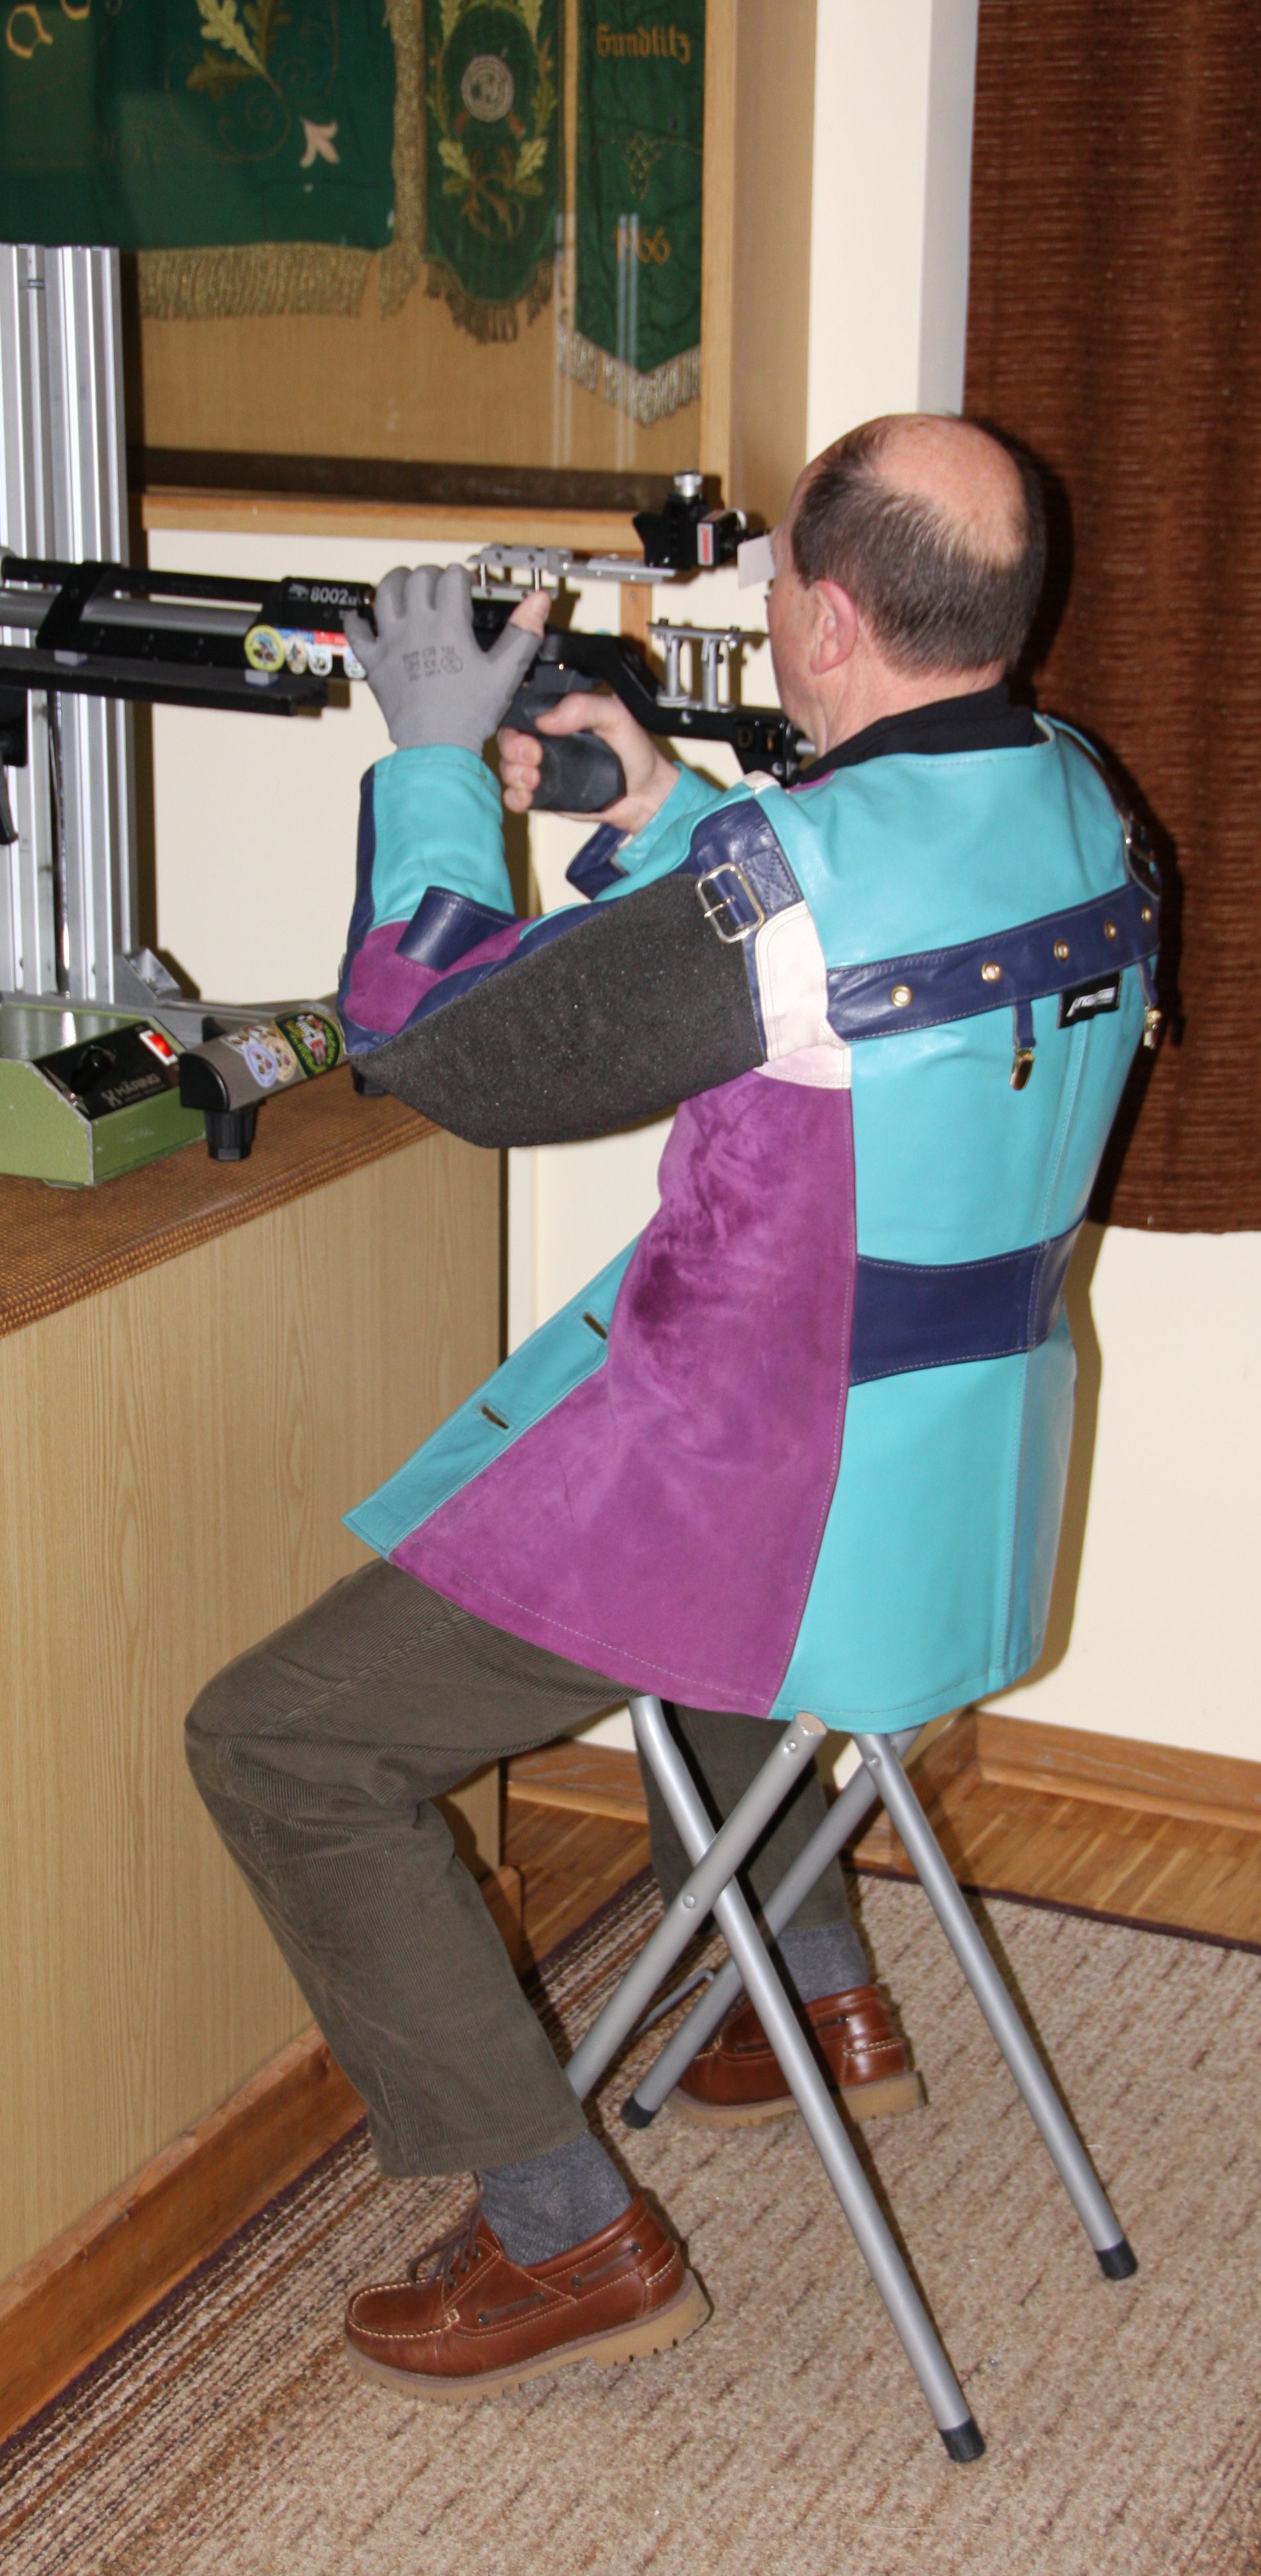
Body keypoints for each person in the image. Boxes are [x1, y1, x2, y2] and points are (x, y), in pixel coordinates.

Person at [185, 415, 1158, 2402]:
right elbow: (820, 951)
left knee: (278, 1743)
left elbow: (439, 1041)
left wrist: (432, 760)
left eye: (779, 586)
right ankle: (807, 2001)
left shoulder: (784, 888)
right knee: (715, 1629)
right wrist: (654, 802)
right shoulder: (1083, 801)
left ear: (824, 618)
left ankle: (566, 2232)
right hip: (945, 1487)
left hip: (753, 1498)